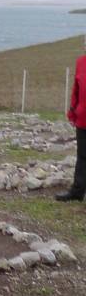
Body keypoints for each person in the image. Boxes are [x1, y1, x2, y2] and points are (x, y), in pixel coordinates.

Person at [57, 51, 86, 201]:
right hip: (83, 117)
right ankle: (77, 191)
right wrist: (73, 110)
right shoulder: (81, 62)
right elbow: (76, 89)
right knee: (82, 156)